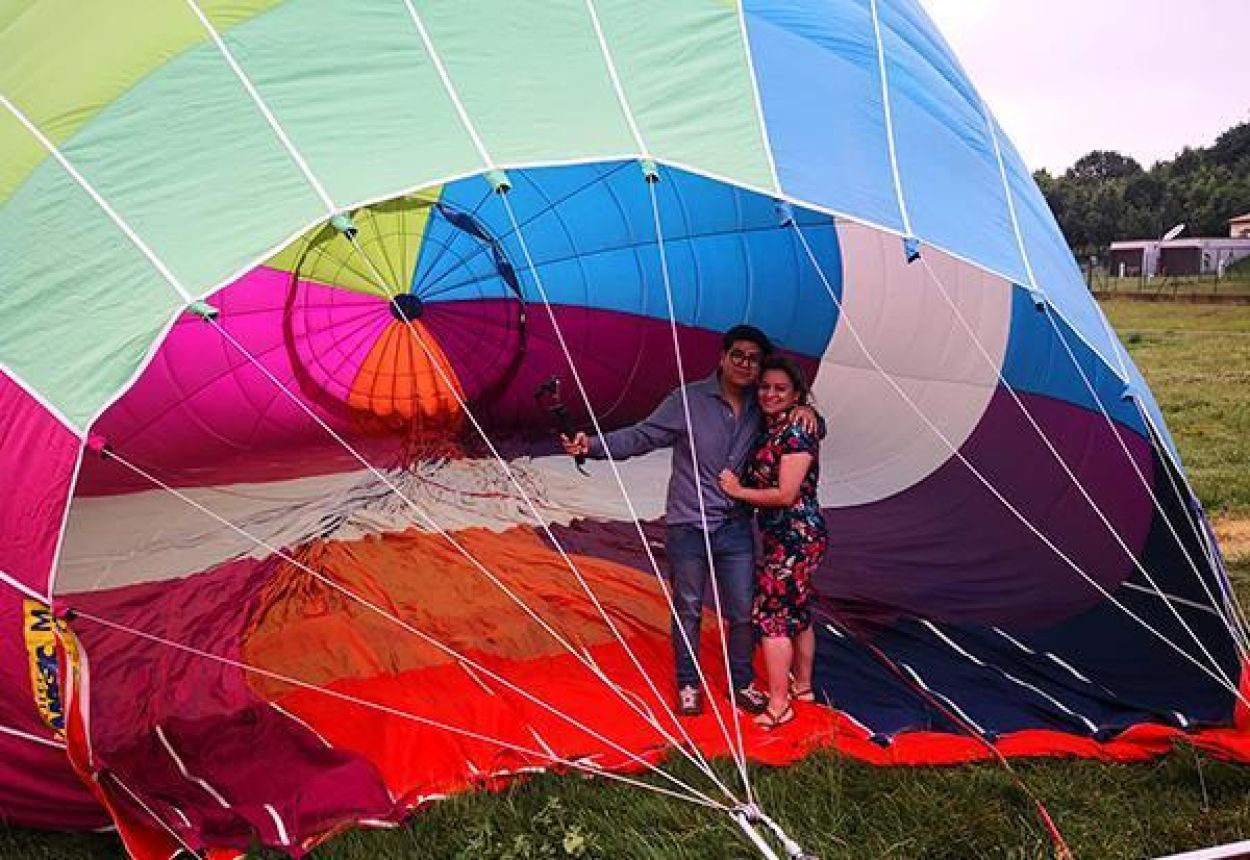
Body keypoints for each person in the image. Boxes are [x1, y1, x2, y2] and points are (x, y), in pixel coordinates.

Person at [562, 325, 816, 717]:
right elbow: (642, 436)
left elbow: (804, 432)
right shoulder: (687, 400)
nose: (746, 364)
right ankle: (687, 684)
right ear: (723, 357)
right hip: (688, 523)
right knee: (689, 607)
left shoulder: (762, 403)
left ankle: (741, 681)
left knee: (741, 610)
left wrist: (807, 409)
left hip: (735, 526)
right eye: (738, 355)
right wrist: (592, 446)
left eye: (753, 358)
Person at [718, 355, 827, 730]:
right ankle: (805, 687)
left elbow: (784, 494)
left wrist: (737, 490)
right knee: (798, 610)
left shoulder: (796, 429)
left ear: (796, 393)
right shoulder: (775, 424)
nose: (770, 394)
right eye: (765, 386)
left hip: (795, 535)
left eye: (780, 388)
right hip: (786, 536)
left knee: (773, 617)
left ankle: (780, 703)